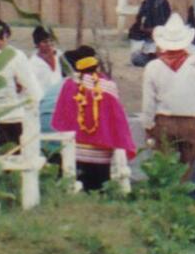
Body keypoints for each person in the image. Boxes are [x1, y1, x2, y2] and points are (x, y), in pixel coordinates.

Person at [48, 46, 134, 192]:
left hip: (74, 154)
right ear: (97, 66)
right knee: (98, 192)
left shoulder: (70, 84)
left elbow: (60, 120)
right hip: (101, 158)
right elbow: (118, 122)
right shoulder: (109, 87)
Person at [139, 14, 195, 166]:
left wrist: (148, 125)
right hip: (191, 122)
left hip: (164, 122)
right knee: (188, 168)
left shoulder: (153, 67)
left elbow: (149, 102)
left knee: (165, 169)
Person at [128, 0, 172, 70]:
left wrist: (152, 31)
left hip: (153, 37)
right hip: (142, 36)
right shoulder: (146, 1)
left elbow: (162, 22)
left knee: (142, 59)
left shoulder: (161, 2)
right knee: (136, 59)